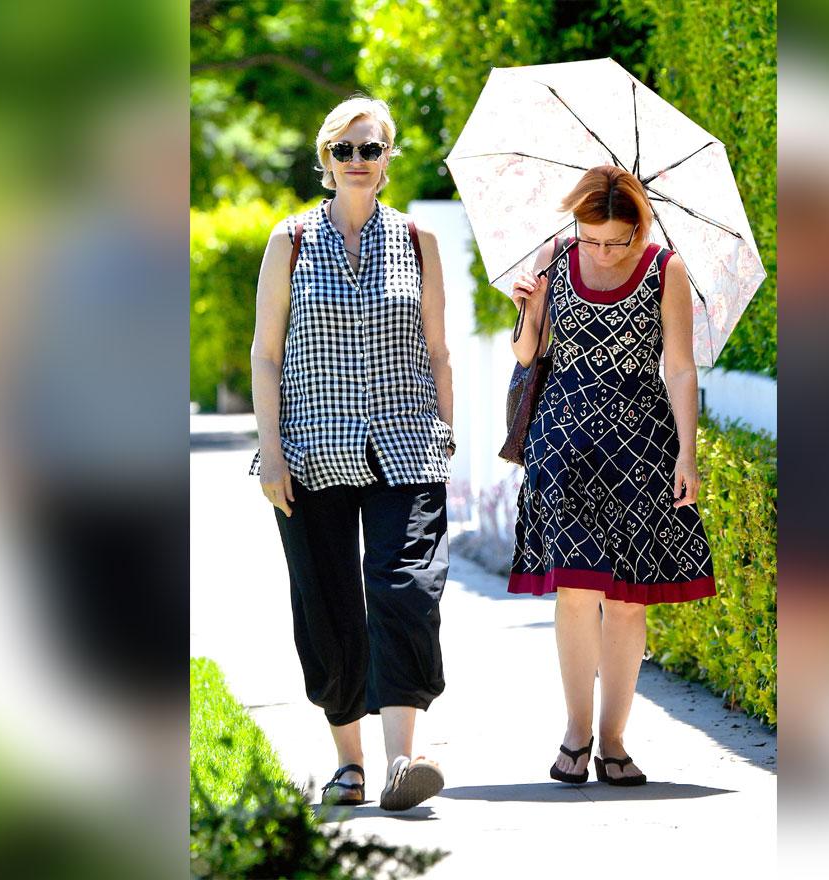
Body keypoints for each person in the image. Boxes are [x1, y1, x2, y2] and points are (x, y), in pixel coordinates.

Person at [249, 95, 456, 811]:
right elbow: (265, 354)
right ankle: (349, 762)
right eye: (346, 150)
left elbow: (437, 350)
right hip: (310, 447)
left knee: (406, 588)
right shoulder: (292, 241)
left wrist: (445, 439)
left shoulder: (419, 240)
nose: (359, 161)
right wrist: (269, 450)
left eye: (372, 149)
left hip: (406, 443)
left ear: (389, 157)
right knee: (328, 605)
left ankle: (407, 759)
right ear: (326, 160)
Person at [507, 166, 716, 787]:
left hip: (642, 447)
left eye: (614, 240)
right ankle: (576, 735)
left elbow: (678, 368)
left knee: (627, 602)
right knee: (576, 591)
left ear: (638, 228)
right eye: (591, 238)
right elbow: (525, 354)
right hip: (563, 443)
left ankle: (616, 742)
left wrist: (687, 453)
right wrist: (530, 305)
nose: (599, 250)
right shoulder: (554, 256)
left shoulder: (665, 269)